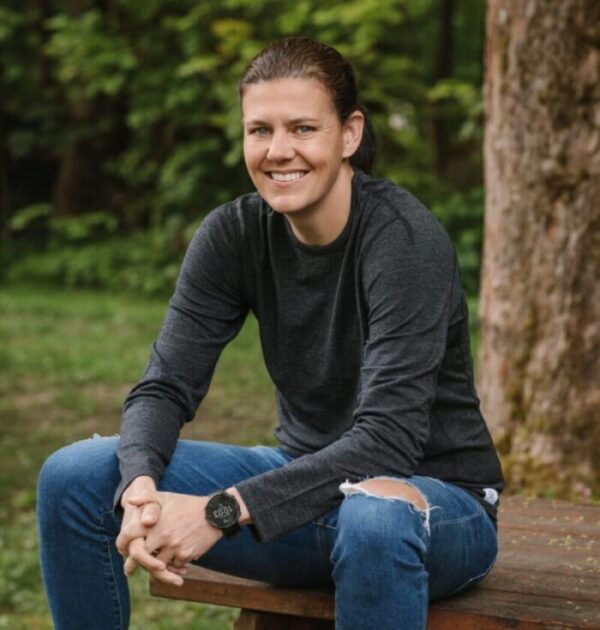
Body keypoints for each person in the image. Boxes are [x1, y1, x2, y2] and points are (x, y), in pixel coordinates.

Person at [37, 37, 504, 630]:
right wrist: (139, 485)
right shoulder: (233, 234)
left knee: (374, 518)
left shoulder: (403, 241)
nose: (279, 151)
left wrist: (223, 511)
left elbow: (388, 441)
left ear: (349, 134)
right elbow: (163, 388)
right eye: (259, 130)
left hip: (431, 504)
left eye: (303, 128)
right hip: (305, 493)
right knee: (74, 476)